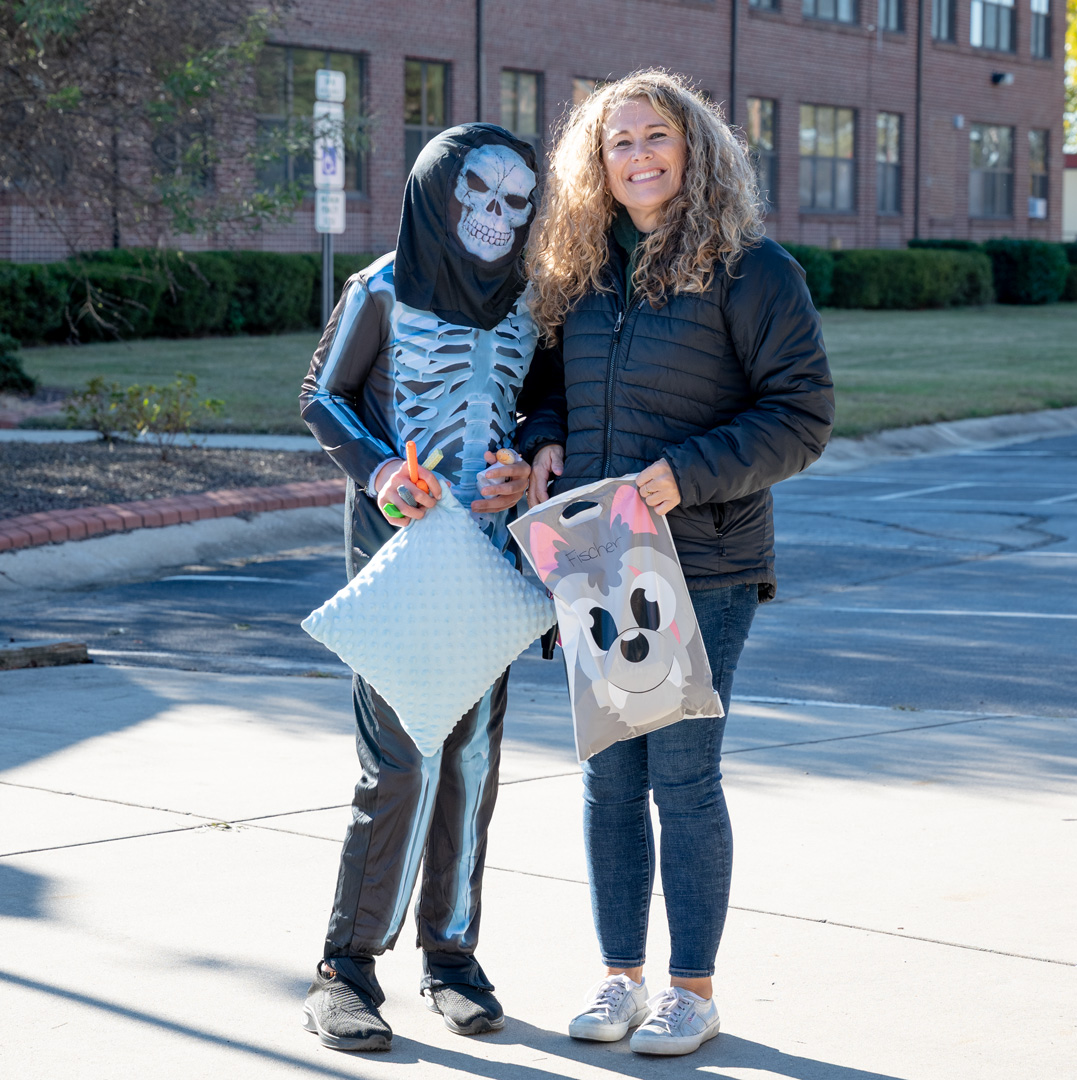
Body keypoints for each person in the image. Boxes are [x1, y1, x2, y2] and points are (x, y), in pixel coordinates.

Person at [516, 70, 834, 1057]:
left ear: (694, 148)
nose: (640, 156)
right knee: (611, 777)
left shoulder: (751, 269)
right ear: (595, 163)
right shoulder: (579, 269)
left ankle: (691, 990)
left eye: (658, 137)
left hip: (705, 558)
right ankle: (620, 978)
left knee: (683, 778)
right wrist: (547, 438)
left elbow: (802, 415)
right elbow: (543, 390)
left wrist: (682, 476)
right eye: (620, 143)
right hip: (598, 554)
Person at [298, 123, 541, 1052]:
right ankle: (346, 966)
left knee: (473, 761)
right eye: (474, 194)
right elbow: (323, 394)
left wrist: (525, 455)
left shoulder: (529, 299)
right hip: (398, 555)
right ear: (437, 197)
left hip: (489, 557)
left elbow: (545, 396)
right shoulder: (383, 286)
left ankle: (452, 957)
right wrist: (379, 472)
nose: (494, 217)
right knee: (401, 759)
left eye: (517, 201)